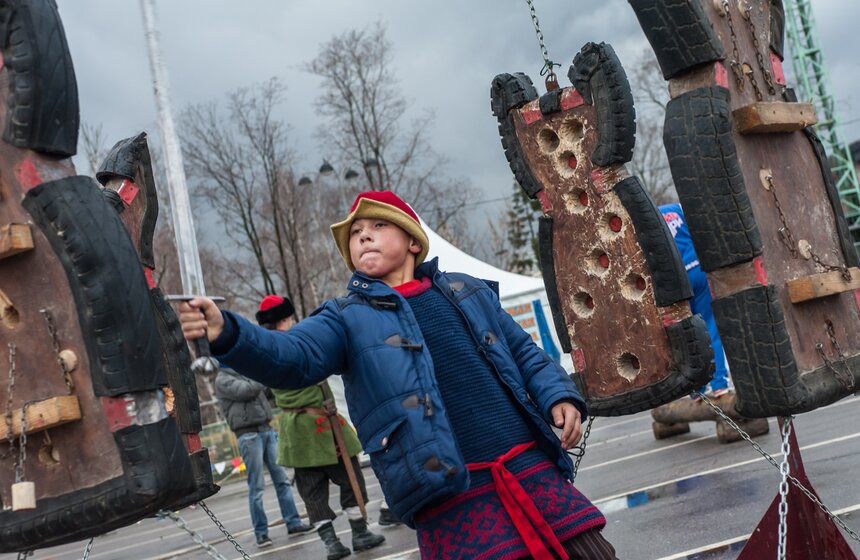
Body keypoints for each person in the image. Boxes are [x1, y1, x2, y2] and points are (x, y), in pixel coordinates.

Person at [182, 190, 616, 559]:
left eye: (375, 226)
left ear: (412, 241)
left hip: (529, 465)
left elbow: (524, 353)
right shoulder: (345, 317)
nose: (362, 235)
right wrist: (227, 332)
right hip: (448, 494)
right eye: (354, 233)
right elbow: (292, 357)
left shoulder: (466, 290)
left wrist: (560, 396)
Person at [255, 295, 386, 559]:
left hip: (295, 432)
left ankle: (332, 543)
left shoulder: (263, 351)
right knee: (351, 480)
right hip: (322, 427)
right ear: (284, 319)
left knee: (311, 490)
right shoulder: (295, 345)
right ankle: (359, 533)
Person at [214, 367, 313, 548]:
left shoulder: (245, 373)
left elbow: (266, 391)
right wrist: (261, 373)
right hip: (248, 435)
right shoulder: (222, 379)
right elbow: (247, 390)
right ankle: (261, 533)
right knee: (257, 487)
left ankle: (294, 523)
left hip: (266, 430)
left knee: (282, 481)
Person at [660, 203, 731, 398]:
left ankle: (697, 389)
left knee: (688, 335)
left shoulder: (652, 216)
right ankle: (719, 385)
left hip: (677, 281)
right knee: (710, 328)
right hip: (697, 270)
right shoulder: (678, 208)